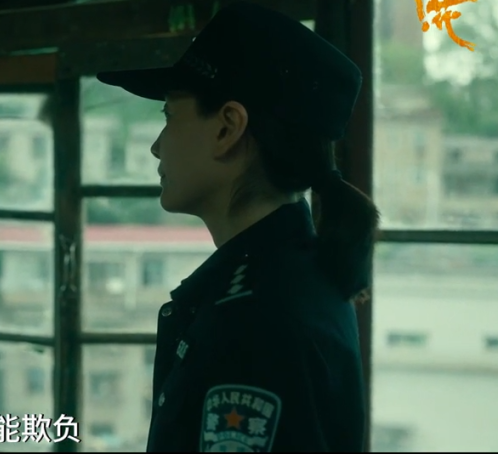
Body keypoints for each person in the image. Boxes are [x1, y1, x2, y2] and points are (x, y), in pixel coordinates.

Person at [97, 2, 376, 452]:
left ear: (227, 128)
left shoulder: (255, 323)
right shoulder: (292, 279)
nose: (156, 147)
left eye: (169, 117)